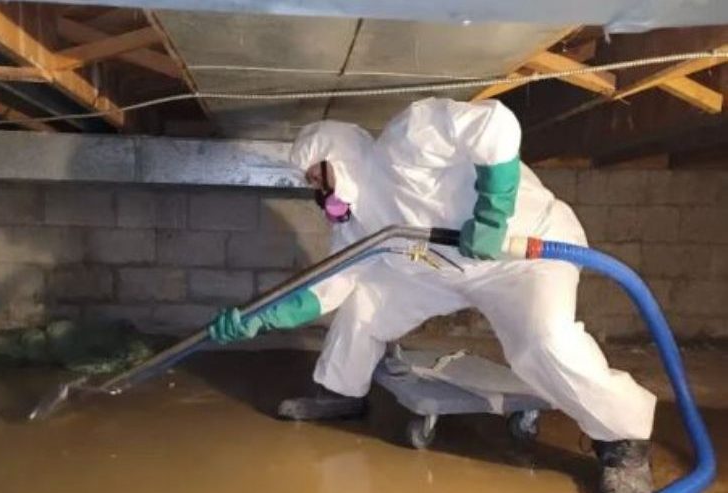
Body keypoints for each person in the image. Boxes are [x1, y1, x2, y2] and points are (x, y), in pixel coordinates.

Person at [206, 97, 656, 493]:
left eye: (315, 176)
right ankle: (343, 391)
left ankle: (622, 441)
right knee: (365, 305)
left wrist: (492, 213)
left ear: (334, 156)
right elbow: (330, 285)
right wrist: (260, 317)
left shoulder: (407, 140)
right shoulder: (356, 224)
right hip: (441, 270)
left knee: (543, 343)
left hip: (522, 253)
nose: (317, 191)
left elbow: (495, 126)